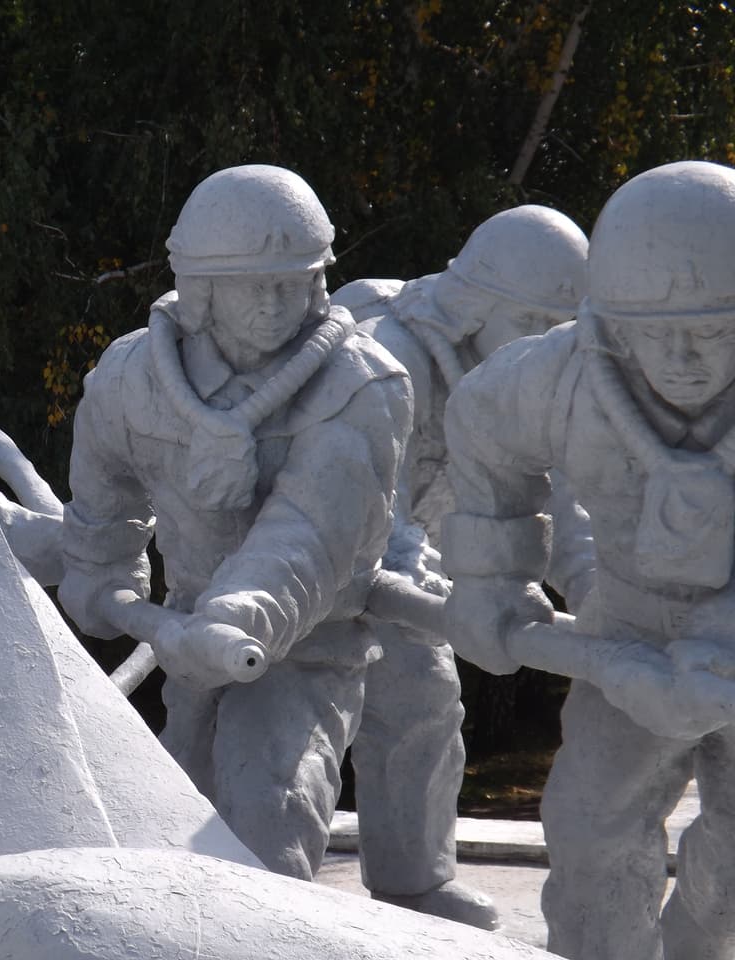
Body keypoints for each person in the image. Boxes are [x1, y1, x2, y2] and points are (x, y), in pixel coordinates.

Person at [59, 164, 414, 878]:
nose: (276, 304)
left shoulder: (360, 386)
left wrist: (236, 619)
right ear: (201, 289)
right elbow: (105, 495)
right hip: (189, 637)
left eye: (294, 281)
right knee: (167, 827)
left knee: (269, 815)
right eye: (254, 285)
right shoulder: (134, 379)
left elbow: (307, 536)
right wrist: (103, 574)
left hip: (309, 647)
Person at [441, 160, 735, 959]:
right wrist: (493, 581)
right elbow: (478, 425)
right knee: (590, 830)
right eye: (654, 333)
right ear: (610, 322)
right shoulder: (565, 377)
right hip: (627, 628)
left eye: (710, 332)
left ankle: (704, 937)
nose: (681, 359)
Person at [330, 206, 592, 928]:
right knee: (304, 729)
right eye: (530, 321)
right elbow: (359, 502)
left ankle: (414, 882)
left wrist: (604, 598)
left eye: (557, 328)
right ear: (475, 306)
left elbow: (569, 504)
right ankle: (255, 881)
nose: (544, 344)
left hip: (403, 568)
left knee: (425, 704)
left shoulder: (528, 379)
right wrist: (443, 593)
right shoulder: (390, 357)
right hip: (310, 566)